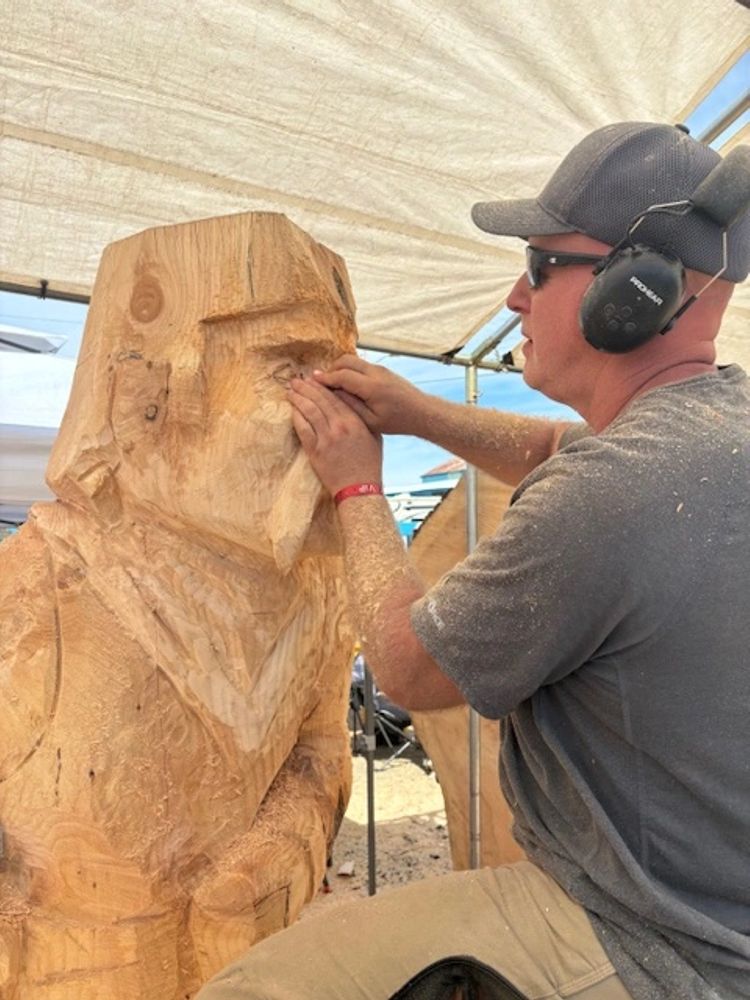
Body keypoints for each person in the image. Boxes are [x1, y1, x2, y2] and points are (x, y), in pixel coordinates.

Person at [197, 123, 750, 1000]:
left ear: (633, 293)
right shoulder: (712, 434)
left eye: (539, 267)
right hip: (718, 913)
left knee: (249, 990)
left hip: (652, 944)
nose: (515, 297)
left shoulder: (618, 490)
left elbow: (412, 670)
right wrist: (423, 414)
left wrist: (356, 489)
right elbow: (558, 453)